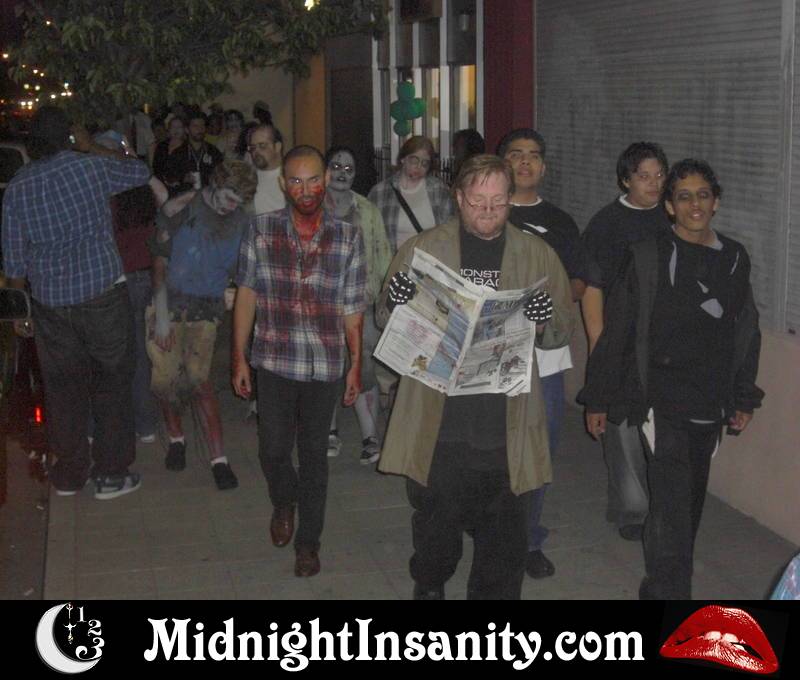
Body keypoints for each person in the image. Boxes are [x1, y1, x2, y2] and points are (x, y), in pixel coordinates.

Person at [376, 154, 574, 599]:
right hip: (440, 420)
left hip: (507, 421)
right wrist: (396, 301)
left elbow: (562, 329)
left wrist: (544, 320)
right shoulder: (424, 250)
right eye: (478, 201)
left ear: (510, 201)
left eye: (498, 203)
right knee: (436, 529)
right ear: (459, 197)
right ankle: (430, 583)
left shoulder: (536, 255)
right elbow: (386, 317)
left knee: (504, 542)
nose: (488, 211)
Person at [581, 159, 763, 599]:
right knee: (671, 505)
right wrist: (599, 398)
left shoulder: (734, 257)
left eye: (703, 195)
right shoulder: (648, 256)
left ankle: (666, 584)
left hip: (710, 400)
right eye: (683, 196)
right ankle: (668, 595)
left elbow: (745, 329)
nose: (694, 204)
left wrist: (743, 396)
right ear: (669, 206)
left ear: (716, 202)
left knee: (688, 503)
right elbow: (619, 330)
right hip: (661, 401)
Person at [1, 106, 156, 499]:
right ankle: (111, 474)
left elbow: (14, 257)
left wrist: (20, 311)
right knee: (112, 383)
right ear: (69, 137)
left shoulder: (18, 187)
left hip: (51, 303)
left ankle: (70, 474)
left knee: (63, 390)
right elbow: (140, 172)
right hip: (101, 293)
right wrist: (94, 147)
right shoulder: (90, 168)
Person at [232, 145, 366, 578]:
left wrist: (355, 364)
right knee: (272, 450)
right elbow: (247, 294)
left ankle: (309, 544)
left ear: (325, 180)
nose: (305, 190)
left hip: (324, 365)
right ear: (283, 184)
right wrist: (238, 357)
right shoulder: (260, 230)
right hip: (274, 358)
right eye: (295, 181)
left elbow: (352, 307)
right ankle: (283, 500)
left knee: (314, 458)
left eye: (312, 180)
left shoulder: (348, 237)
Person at [497, 127, 587, 579]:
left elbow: (578, 282)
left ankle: (528, 539)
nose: (525, 162)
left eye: (533, 155)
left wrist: (545, 299)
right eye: (516, 154)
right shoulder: (486, 212)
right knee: (492, 447)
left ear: (544, 166)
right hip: (491, 352)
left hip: (545, 356)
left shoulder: (560, 221)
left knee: (540, 447)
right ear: (502, 164)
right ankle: (493, 531)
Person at [146, 160, 257, 491]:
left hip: (206, 310)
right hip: (167, 303)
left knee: (200, 381)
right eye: (228, 198)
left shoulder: (242, 221)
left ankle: (219, 459)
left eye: (238, 202)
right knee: (165, 381)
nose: (231, 206)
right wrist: (161, 316)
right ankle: (176, 439)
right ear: (215, 183)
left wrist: (235, 290)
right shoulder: (182, 207)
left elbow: (243, 270)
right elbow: (159, 262)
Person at [581, 141, 671, 542]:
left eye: (659, 175)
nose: (653, 183)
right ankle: (632, 510)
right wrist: (599, 344)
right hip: (620, 339)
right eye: (643, 176)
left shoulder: (672, 216)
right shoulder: (607, 224)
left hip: (662, 344)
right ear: (625, 180)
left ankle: (661, 507)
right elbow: (592, 287)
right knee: (621, 427)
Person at [323, 146, 392, 463]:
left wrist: (380, 296)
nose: (342, 173)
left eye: (348, 168)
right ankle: (328, 432)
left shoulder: (368, 210)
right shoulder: (310, 206)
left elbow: (383, 256)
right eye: (336, 166)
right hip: (321, 306)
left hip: (360, 306)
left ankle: (370, 438)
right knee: (326, 370)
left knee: (364, 370)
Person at [368, 135, 455, 254]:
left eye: (425, 163)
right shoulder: (380, 192)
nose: (419, 167)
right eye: (414, 160)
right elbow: (370, 235)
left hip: (428, 260)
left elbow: (449, 231)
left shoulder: (439, 190)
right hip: (394, 261)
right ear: (403, 159)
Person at [244, 123, 285, 215]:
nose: (256, 151)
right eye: (253, 147)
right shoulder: (247, 177)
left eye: (262, 146)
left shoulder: (291, 176)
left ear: (277, 147)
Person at [152, 116, 188, 193]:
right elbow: (156, 167)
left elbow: (187, 171)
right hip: (161, 186)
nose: (176, 130)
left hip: (180, 188)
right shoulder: (161, 146)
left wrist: (178, 180)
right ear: (168, 129)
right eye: (173, 127)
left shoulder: (188, 148)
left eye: (179, 127)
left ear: (184, 129)